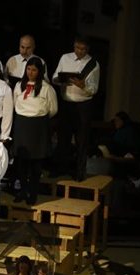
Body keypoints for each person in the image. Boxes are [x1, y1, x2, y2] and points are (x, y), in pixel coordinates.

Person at [52, 36, 100, 181]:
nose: (79, 51)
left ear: (88, 49)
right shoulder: (65, 58)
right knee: (63, 138)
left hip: (83, 105)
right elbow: (55, 77)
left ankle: (79, 173)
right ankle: (61, 169)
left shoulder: (93, 64)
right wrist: (60, 80)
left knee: (81, 140)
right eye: (77, 48)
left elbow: (94, 89)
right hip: (66, 103)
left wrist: (83, 85)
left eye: (83, 49)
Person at [12, 58, 57, 205]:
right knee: (21, 161)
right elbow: (15, 103)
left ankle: (33, 193)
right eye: (29, 69)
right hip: (22, 124)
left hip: (38, 126)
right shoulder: (19, 85)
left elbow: (53, 109)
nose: (31, 72)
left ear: (40, 72)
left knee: (36, 163)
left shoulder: (46, 88)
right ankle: (23, 190)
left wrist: (38, 117)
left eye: (34, 70)